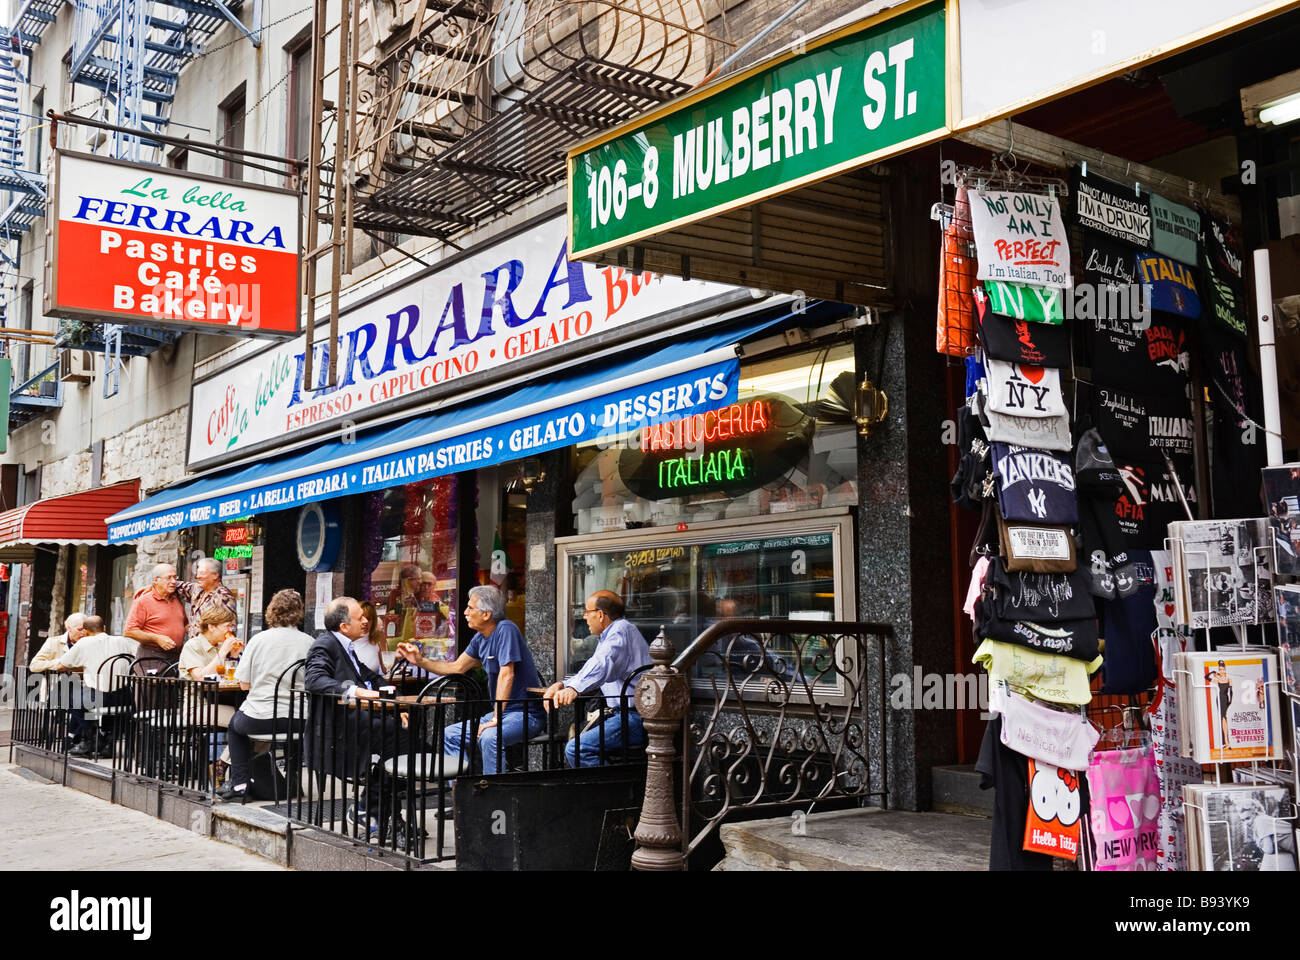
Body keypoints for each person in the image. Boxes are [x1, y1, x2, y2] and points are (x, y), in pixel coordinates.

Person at [396, 584, 545, 775]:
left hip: (526, 715)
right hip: (500, 715)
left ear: (486, 614)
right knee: (450, 735)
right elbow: (456, 667)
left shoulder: (506, 629)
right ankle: (463, 794)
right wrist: (419, 661)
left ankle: (493, 796)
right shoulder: (480, 638)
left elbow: (507, 674)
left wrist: (496, 718)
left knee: (490, 736)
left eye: (470, 608)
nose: (465, 612)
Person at [305, 597, 407, 836]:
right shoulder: (324, 644)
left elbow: (372, 677)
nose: (366, 621)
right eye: (360, 617)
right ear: (343, 626)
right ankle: (370, 806)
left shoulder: (346, 646)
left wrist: (398, 703)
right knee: (402, 740)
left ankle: (373, 804)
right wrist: (356, 691)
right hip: (336, 727)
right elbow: (314, 679)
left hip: (359, 720)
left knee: (408, 743)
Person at [219, 589, 315, 801]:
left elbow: (244, 685)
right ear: (299, 612)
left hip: (259, 719)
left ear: (271, 610)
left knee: (235, 728)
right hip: (298, 720)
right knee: (293, 738)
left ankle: (240, 785)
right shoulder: (309, 642)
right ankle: (293, 781)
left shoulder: (258, 640)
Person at [542, 590, 651, 768]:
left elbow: (602, 663)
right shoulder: (611, 634)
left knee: (577, 749)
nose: (584, 617)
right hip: (621, 715)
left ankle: (613, 793)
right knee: (576, 743)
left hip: (634, 717)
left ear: (600, 615)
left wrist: (573, 688)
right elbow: (595, 664)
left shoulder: (620, 631)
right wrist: (563, 684)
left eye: (587, 611)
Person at [53, 616, 138, 758]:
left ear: (85, 632)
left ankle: (89, 739)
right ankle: (108, 739)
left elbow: (62, 665)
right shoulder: (122, 640)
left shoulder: (84, 642)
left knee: (73, 700)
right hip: (125, 697)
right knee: (91, 702)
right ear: (104, 628)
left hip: (99, 697)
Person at [29, 613, 90, 745]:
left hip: (83, 687)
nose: (84, 632)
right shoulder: (53, 642)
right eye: (80, 629)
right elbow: (34, 665)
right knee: (68, 689)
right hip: (57, 688)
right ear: (69, 627)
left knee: (81, 701)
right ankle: (74, 737)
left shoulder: (89, 642)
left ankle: (74, 737)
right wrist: (60, 664)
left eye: (86, 628)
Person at [179, 606, 243, 729]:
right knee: (247, 722)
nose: (231, 630)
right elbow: (201, 678)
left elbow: (231, 679)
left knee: (261, 721)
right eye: (227, 626)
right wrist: (222, 653)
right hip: (198, 707)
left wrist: (234, 657)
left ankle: (232, 749)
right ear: (211, 627)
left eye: (232, 626)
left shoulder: (220, 646)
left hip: (224, 701)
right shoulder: (193, 645)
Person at [123, 563, 187, 665]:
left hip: (176, 657)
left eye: (175, 577)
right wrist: (156, 638)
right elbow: (129, 631)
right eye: (169, 578)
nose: (174, 581)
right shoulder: (143, 601)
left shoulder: (176, 599)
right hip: (151, 657)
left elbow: (185, 625)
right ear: (156, 580)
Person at [174, 557, 238, 642]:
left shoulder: (223, 596)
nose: (197, 576)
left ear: (215, 575)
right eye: (197, 573)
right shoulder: (197, 589)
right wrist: (153, 587)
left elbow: (230, 628)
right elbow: (175, 585)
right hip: (195, 648)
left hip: (211, 650)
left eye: (202, 573)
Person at [356, 600, 386, 675]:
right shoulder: (345, 640)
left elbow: (386, 669)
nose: (365, 622)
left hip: (374, 685)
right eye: (361, 618)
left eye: (369, 619)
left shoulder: (378, 638)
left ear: (373, 621)